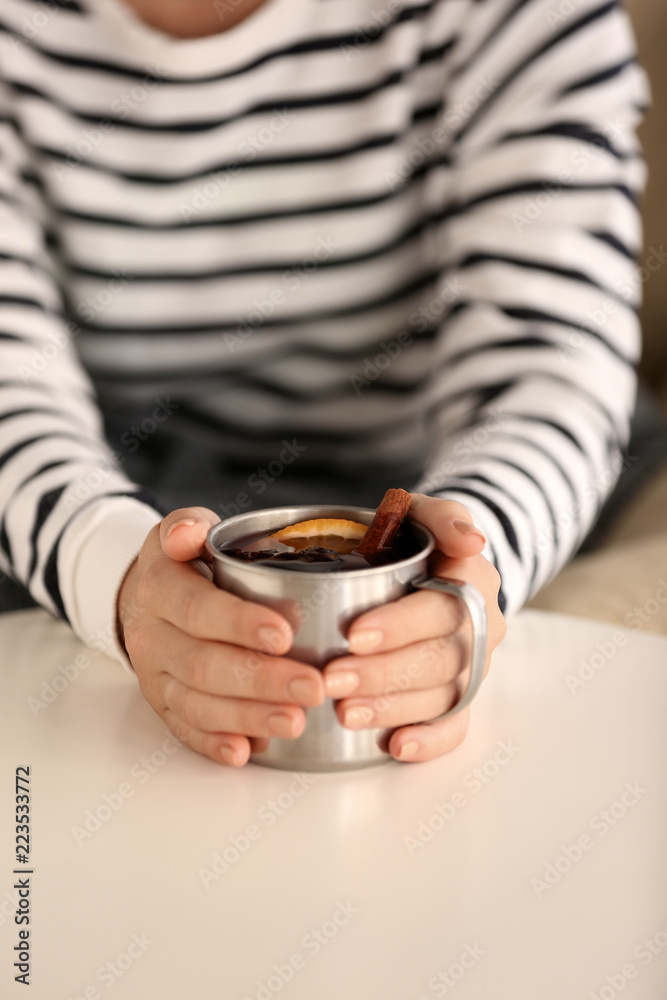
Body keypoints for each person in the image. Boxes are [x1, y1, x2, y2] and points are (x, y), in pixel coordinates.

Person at [0, 0, 647, 765]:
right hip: (96, 481)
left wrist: (471, 573)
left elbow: (548, 358)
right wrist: (109, 575)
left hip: (449, 470)